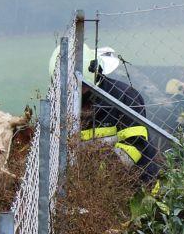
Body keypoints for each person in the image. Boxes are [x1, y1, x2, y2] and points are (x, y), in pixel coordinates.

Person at [50, 44, 158, 184]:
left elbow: (134, 147)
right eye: (67, 87)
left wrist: (93, 172)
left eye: (78, 85)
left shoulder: (125, 97)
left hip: (137, 189)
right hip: (90, 186)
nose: (73, 91)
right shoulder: (63, 105)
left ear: (91, 75)